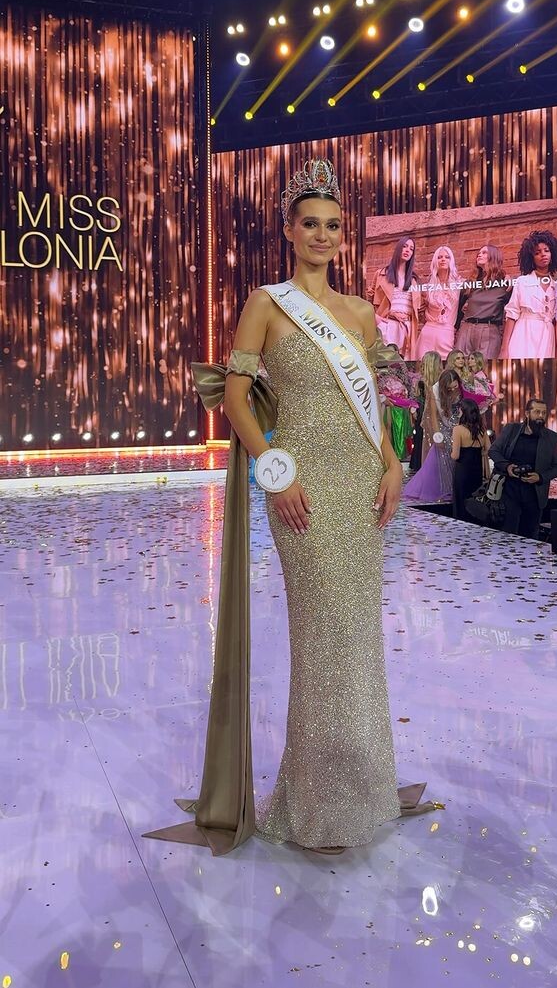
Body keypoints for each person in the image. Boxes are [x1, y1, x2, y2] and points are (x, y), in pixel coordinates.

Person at [146, 159, 439, 859]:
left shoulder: (361, 312)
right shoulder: (266, 303)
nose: (323, 235)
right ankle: (316, 800)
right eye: (310, 223)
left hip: (362, 486)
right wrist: (274, 472)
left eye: (333, 225)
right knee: (322, 636)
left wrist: (393, 463)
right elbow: (235, 400)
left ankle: (363, 790)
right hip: (300, 485)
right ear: (288, 229)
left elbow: (381, 404)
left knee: (357, 637)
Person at [489, 399, 557, 539]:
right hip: (509, 491)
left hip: (534, 494)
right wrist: (507, 466)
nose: (541, 416)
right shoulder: (511, 430)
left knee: (530, 538)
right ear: (527, 413)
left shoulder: (551, 437)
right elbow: (493, 451)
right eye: (537, 412)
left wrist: (540, 477)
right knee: (507, 535)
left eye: (544, 413)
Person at [499, 229, 557, 359]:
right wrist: (504, 348)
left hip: (548, 335)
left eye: (546, 250)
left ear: (553, 254)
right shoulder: (522, 282)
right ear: (531, 258)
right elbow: (512, 314)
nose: (543, 255)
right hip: (524, 332)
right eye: (537, 252)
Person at [404, 369, 464, 504]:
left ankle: (455, 488)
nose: (453, 389)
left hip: (457, 426)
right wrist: (438, 436)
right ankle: (444, 489)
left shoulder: (461, 389)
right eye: (450, 388)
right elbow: (433, 417)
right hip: (443, 426)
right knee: (441, 455)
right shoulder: (434, 391)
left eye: (455, 386)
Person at [368, 235, 422, 360]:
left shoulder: (414, 280)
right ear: (398, 248)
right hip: (387, 324)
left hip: (406, 327)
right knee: (384, 361)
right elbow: (368, 299)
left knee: (403, 364)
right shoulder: (381, 274)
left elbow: (420, 307)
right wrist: (377, 319)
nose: (408, 250)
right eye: (405, 246)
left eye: (411, 249)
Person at [415, 246, 461, 360]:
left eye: (447, 257)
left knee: (445, 365)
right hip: (428, 331)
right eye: (439, 257)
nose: (443, 259)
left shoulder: (459, 284)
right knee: (423, 365)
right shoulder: (429, 287)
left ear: (451, 260)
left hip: (446, 332)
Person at [451, 399, 491, 522]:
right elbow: (489, 449)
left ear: (463, 411)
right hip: (477, 470)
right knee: (474, 498)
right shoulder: (482, 430)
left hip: (462, 470)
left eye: (459, 409)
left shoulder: (458, 429)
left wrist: (449, 454)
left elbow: (455, 455)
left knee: (461, 500)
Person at [418, 351, 443, 460]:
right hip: (433, 419)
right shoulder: (425, 383)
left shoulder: (437, 382)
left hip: (434, 419)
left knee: (431, 448)